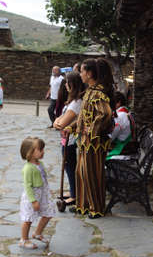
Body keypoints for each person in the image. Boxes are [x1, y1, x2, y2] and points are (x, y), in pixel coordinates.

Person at [69, 58, 114, 219]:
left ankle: (97, 208)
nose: (80, 74)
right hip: (85, 142)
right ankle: (83, 205)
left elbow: (105, 113)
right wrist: (72, 127)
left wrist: (92, 130)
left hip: (94, 143)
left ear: (89, 73)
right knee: (81, 173)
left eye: (81, 71)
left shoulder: (98, 93)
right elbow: (83, 116)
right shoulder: (89, 91)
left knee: (92, 174)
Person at [53, 71, 85, 206]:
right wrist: (57, 122)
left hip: (71, 140)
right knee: (68, 167)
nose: (65, 85)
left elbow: (61, 123)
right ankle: (73, 191)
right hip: (66, 139)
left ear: (72, 85)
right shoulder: (72, 101)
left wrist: (57, 123)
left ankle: (74, 195)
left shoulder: (77, 103)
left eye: (67, 83)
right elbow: (59, 120)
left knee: (70, 167)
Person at [19, 137, 56, 249]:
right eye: (40, 150)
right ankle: (24, 240)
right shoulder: (28, 168)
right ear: (30, 153)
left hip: (42, 195)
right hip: (33, 197)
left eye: (43, 149)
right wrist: (33, 201)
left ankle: (37, 233)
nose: (43, 152)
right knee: (28, 219)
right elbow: (27, 186)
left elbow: (43, 178)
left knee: (49, 212)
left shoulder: (40, 164)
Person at [106, 91, 137, 160]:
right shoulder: (125, 112)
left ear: (118, 103)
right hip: (128, 145)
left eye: (110, 103)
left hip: (123, 147)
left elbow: (110, 138)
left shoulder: (120, 116)